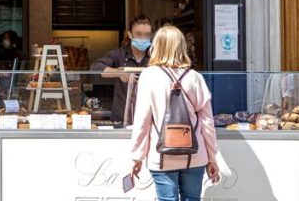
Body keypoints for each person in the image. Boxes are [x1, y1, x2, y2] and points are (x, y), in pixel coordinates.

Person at [129, 25, 220, 201]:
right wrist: (212, 157)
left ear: (157, 46)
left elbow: (142, 121)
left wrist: (136, 157)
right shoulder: (195, 77)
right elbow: (208, 122)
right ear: (181, 47)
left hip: (162, 155)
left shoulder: (149, 76)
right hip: (195, 155)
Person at [90, 14, 153, 125]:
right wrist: (118, 72)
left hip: (148, 120)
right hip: (121, 120)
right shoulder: (119, 55)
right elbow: (95, 68)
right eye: (138, 34)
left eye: (147, 35)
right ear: (130, 34)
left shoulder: (155, 57)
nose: (143, 38)